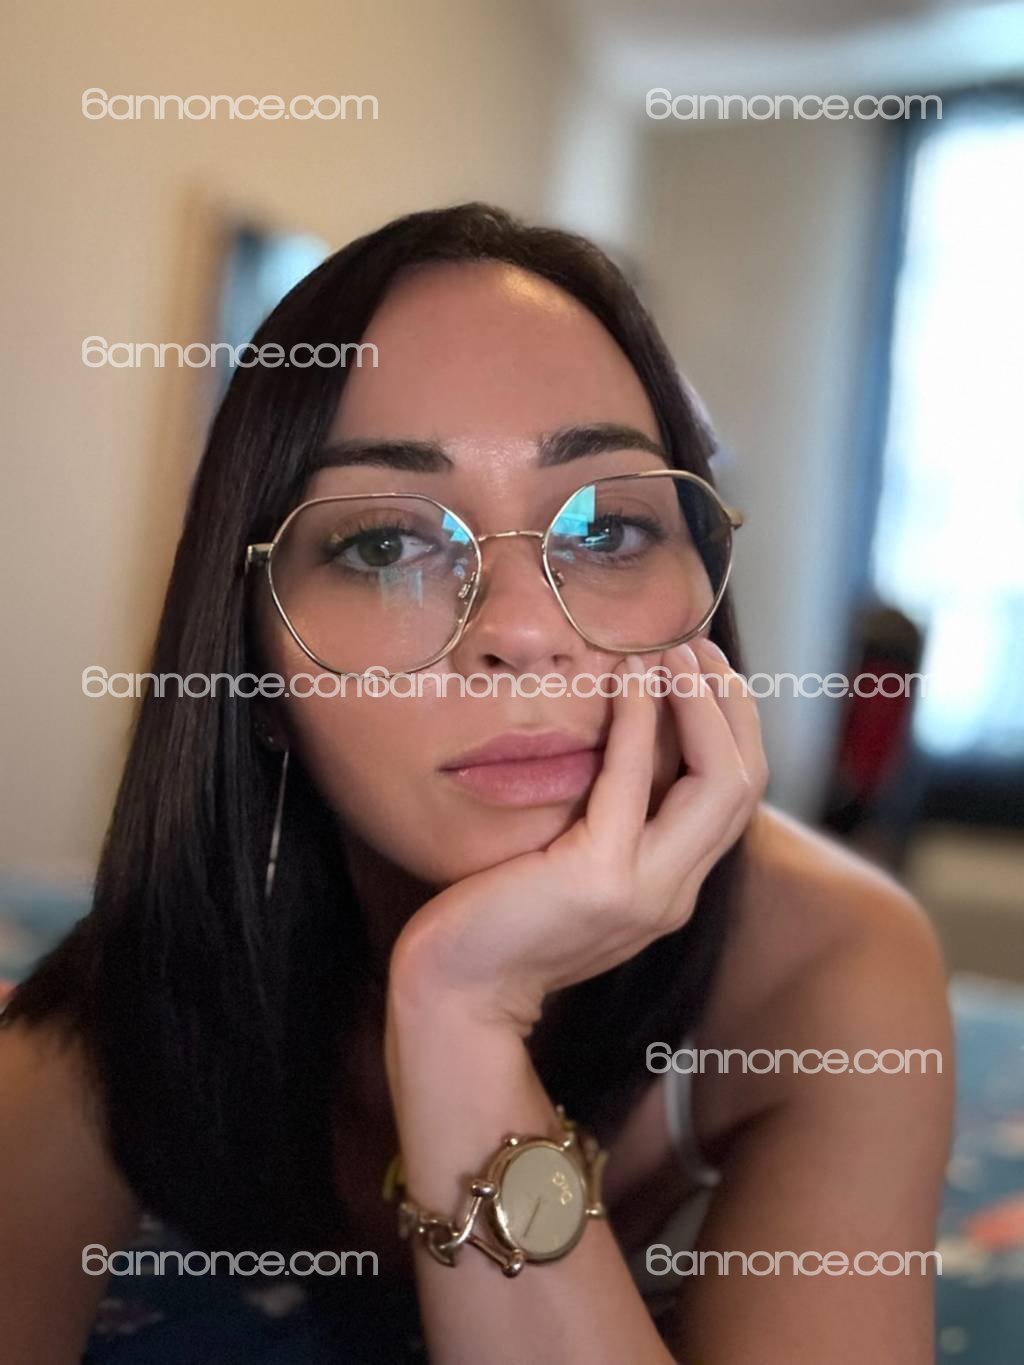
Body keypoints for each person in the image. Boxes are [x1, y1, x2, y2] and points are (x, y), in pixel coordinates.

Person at [0, 202, 954, 1363]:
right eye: (385, 543)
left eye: (606, 528)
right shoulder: (107, 1030)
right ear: (255, 678)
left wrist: (461, 1017)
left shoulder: (831, 967)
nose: (523, 631)